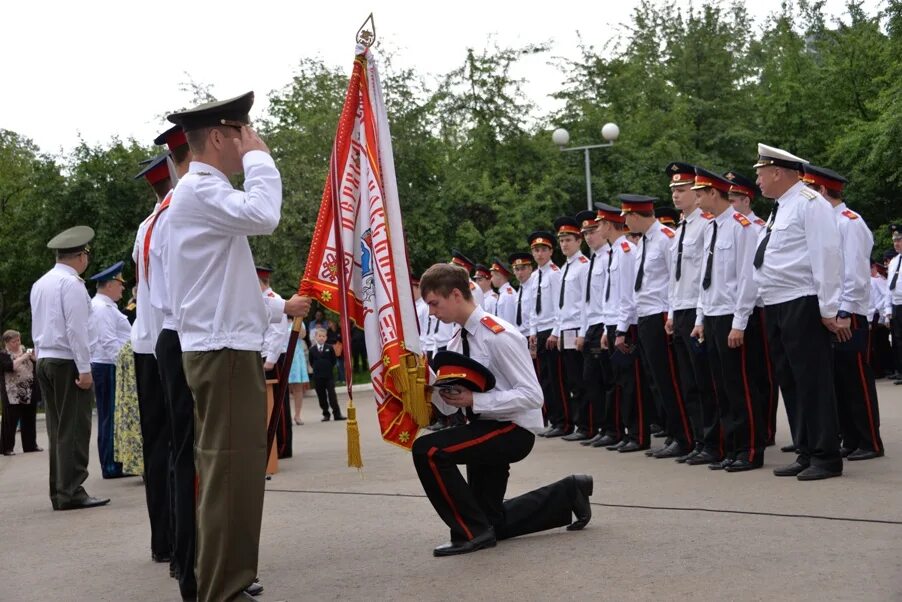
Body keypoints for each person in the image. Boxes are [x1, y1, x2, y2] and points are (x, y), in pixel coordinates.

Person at [166, 92, 311, 601]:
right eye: (243, 133)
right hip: (222, 351)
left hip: (227, 344)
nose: (250, 140)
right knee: (231, 473)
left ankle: (229, 579)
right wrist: (261, 160)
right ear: (222, 136)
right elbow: (264, 214)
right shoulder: (202, 189)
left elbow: (227, 284)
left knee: (239, 472)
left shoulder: (203, 194)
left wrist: (279, 309)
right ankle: (221, 590)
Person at [413, 263, 593, 556]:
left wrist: (476, 401)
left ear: (456, 294)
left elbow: (533, 395)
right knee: (492, 519)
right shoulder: (457, 340)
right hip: (485, 427)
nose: (431, 312)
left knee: (428, 451)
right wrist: (425, 389)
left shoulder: (498, 335)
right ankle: (569, 493)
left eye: (435, 303)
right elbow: (453, 402)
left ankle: (470, 533)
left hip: (512, 430)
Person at [752, 143, 843, 481]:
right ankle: (805, 450)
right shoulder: (780, 207)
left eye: (760, 173)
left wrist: (829, 307)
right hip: (776, 303)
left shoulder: (810, 203)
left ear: (777, 172)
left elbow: (827, 255)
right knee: (790, 382)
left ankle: (826, 456)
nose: (757, 180)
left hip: (801, 301)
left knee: (812, 381)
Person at [147, 126, 199, 594]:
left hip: (167, 336)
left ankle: (184, 556)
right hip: (186, 337)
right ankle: (194, 562)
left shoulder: (156, 217)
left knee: (180, 453)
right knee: (194, 457)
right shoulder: (183, 209)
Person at [801, 164, 883, 461]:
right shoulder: (826, 221)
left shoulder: (850, 222)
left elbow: (856, 274)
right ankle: (851, 437)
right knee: (839, 380)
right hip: (833, 311)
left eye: (810, 190)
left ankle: (869, 440)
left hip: (850, 312)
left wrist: (845, 311)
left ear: (823, 191)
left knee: (856, 378)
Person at [689, 168, 765, 471]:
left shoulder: (742, 226)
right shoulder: (710, 227)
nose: (695, 199)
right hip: (713, 315)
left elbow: (749, 277)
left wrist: (739, 322)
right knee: (721, 386)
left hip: (735, 317)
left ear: (713, 193)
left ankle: (749, 449)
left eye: (699, 193)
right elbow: (705, 279)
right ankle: (731, 447)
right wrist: (700, 317)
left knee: (741, 386)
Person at [31, 225, 110, 510]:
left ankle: (60, 490)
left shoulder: (41, 283)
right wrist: (85, 368)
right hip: (67, 362)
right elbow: (76, 330)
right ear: (81, 256)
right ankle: (72, 490)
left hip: (46, 359)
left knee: (57, 429)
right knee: (74, 428)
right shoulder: (72, 284)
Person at [616, 195, 693, 459]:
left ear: (636, 215)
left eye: (627, 217)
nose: (625, 222)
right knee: (657, 382)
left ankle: (684, 436)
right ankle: (673, 433)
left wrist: (671, 314)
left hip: (661, 315)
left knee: (670, 379)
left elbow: (675, 280)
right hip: (645, 316)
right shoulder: (643, 243)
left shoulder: (666, 238)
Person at [132, 149, 175, 566]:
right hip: (168, 341)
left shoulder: (147, 224)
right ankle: (179, 540)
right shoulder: (171, 220)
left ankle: (162, 539)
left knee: (158, 448)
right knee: (180, 448)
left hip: (146, 344)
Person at [664, 162, 716, 464]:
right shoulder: (679, 228)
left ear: (697, 195)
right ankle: (698, 439)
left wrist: (700, 316)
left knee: (704, 381)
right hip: (680, 310)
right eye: (673, 191)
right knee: (688, 383)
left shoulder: (706, 224)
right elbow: (676, 277)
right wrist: (671, 312)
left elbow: (704, 275)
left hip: (699, 310)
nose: (676, 195)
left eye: (682, 190)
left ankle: (711, 441)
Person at [88, 261, 132, 478]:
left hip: (106, 365)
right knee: (110, 417)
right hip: (108, 366)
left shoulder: (103, 306)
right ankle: (111, 465)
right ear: (110, 285)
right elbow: (109, 342)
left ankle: (113, 463)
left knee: (111, 417)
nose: (123, 288)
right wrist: (126, 367)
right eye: (120, 284)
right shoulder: (103, 308)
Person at [575, 209, 614, 447]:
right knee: (591, 380)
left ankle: (613, 428)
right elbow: (585, 302)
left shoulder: (610, 256)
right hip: (592, 325)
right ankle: (603, 426)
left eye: (592, 231)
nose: (589, 237)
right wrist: (582, 332)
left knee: (608, 381)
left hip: (604, 323)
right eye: (585, 233)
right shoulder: (594, 261)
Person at [553, 216, 591, 442]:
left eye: (568, 240)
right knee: (572, 381)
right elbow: (562, 304)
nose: (564, 245)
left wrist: (582, 333)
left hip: (578, 326)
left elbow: (586, 302)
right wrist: (558, 331)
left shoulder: (584, 266)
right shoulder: (567, 268)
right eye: (562, 241)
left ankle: (587, 424)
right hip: (567, 328)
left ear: (579, 241)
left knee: (582, 380)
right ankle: (579, 422)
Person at [527, 230, 566, 436]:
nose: (539, 254)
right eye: (536, 250)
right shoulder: (535, 276)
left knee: (556, 378)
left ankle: (562, 421)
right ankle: (552, 418)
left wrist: (556, 331)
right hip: (540, 330)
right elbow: (533, 308)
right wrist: (532, 331)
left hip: (551, 329)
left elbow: (560, 305)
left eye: (543, 250)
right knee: (544, 379)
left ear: (551, 251)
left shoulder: (555, 273)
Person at [258, 265, 293, 458]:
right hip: (263, 356)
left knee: (278, 403)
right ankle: (273, 446)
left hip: (272, 359)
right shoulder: (262, 301)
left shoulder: (275, 300)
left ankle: (282, 445)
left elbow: (278, 333)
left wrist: (270, 360)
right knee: (269, 404)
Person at [1, 330, 41, 454]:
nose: (17, 343)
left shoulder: (26, 351)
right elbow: (10, 367)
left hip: (28, 390)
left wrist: (34, 358)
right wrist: (23, 357)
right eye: (14, 341)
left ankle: (30, 446)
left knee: (29, 419)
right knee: (10, 421)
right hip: (12, 393)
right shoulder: (3, 354)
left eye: (18, 340)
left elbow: (37, 365)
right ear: (7, 342)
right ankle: (6, 448)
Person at [309, 328, 345, 421]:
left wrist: (328, 367)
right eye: (319, 336)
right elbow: (311, 362)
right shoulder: (312, 350)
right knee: (321, 396)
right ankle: (326, 414)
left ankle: (337, 414)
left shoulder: (329, 348)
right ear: (316, 337)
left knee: (332, 395)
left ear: (326, 338)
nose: (321, 338)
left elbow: (333, 360)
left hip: (328, 376)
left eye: (323, 336)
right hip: (318, 377)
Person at [288, 322, 310, 425]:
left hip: (296, 356)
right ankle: (284, 415)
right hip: (281, 355)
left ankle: (297, 415)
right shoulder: (277, 319)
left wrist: (298, 321)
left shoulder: (298, 321)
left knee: (298, 388)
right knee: (283, 389)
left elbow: (302, 335)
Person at [489, 258, 517, 325]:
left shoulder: (507, 295)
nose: (491, 279)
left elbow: (509, 322)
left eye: (492, 276)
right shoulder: (503, 293)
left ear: (499, 276)